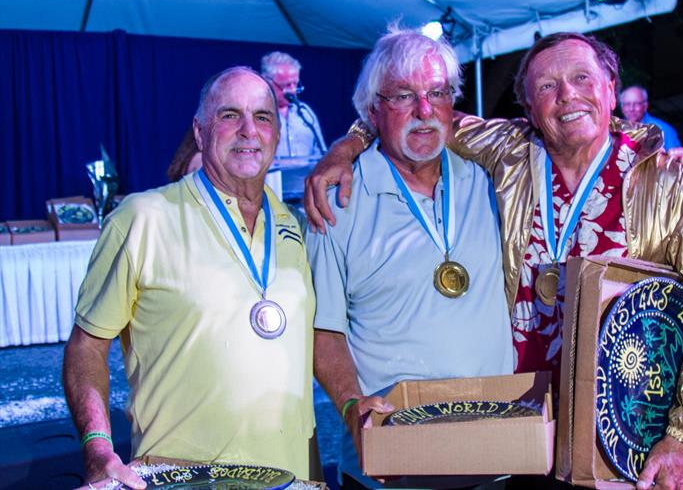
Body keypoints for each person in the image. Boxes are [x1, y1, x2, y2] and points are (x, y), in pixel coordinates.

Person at [305, 33, 683, 490]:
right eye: (547, 86)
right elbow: (417, 116)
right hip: (519, 448)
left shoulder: (669, 184)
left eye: (582, 77)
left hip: (627, 455)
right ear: (527, 105)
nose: (567, 96)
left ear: (610, 86)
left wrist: (682, 438)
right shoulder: (508, 155)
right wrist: (346, 148)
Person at [63, 66, 316, 489]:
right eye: (229, 115)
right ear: (199, 132)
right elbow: (86, 347)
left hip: (287, 480)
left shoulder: (292, 226)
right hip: (179, 479)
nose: (249, 130)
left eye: (263, 117)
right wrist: (97, 447)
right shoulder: (142, 219)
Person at [307, 27, 513, 489]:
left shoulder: (490, 181)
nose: (424, 111)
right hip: (392, 461)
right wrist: (349, 404)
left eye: (436, 93)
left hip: (494, 452)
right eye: (403, 96)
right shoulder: (338, 198)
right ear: (373, 110)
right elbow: (323, 328)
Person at [261, 51, 326, 158]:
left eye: (295, 84)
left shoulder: (305, 112)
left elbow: (321, 152)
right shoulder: (255, 113)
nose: (292, 90)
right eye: (286, 85)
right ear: (267, 82)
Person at [620, 85, 681, 150]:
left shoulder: (664, 130)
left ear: (645, 106)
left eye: (637, 104)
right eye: (627, 104)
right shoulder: (616, 131)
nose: (631, 109)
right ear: (622, 107)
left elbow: (676, 158)